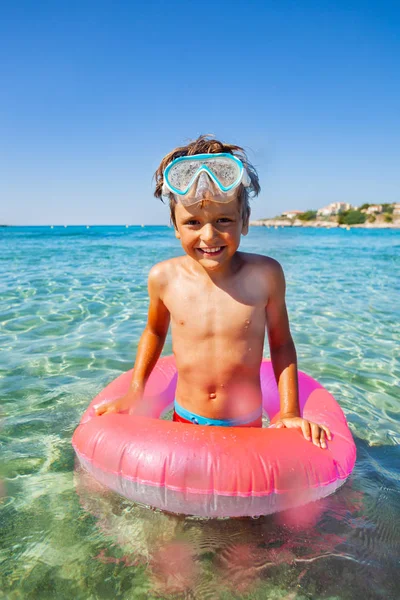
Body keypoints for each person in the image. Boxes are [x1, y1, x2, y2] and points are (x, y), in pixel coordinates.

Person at [96, 135, 331, 448]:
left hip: (245, 421)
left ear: (244, 221)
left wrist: (288, 411)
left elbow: (282, 343)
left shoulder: (265, 275)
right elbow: (154, 333)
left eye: (224, 219)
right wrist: (136, 391)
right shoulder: (164, 277)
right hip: (184, 417)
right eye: (193, 222)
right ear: (176, 226)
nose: (209, 235)